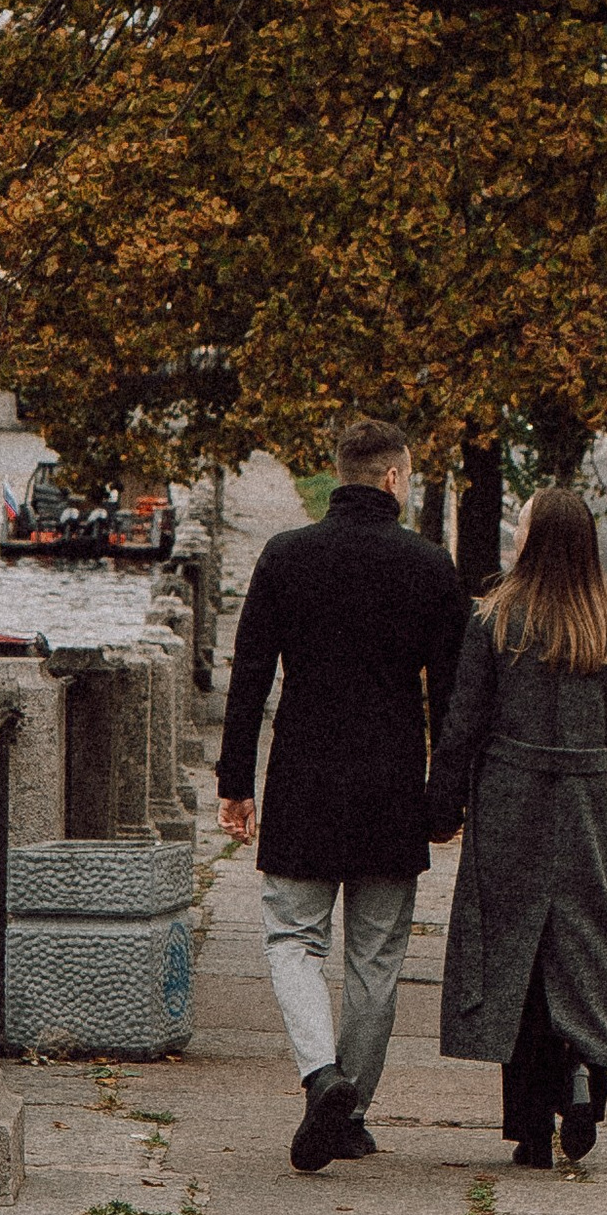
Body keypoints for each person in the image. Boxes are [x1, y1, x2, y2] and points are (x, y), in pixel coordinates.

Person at [217, 416, 468, 1171]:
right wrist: (446, 798)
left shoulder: (286, 557)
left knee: (293, 939)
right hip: (392, 785)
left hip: (303, 777)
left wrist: (236, 780)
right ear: (393, 477)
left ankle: (319, 1072)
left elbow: (251, 673)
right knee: (376, 958)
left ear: (340, 475)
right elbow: (452, 698)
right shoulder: (430, 567)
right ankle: (350, 1107)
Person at [425, 486, 607, 1172]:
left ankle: (530, 1127)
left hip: (511, 798)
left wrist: (443, 805)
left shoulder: (496, 620)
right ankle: (585, 1072)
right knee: (587, 941)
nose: (514, 536)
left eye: (520, 527)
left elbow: (463, 721)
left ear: (536, 540)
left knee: (517, 951)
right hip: (591, 801)